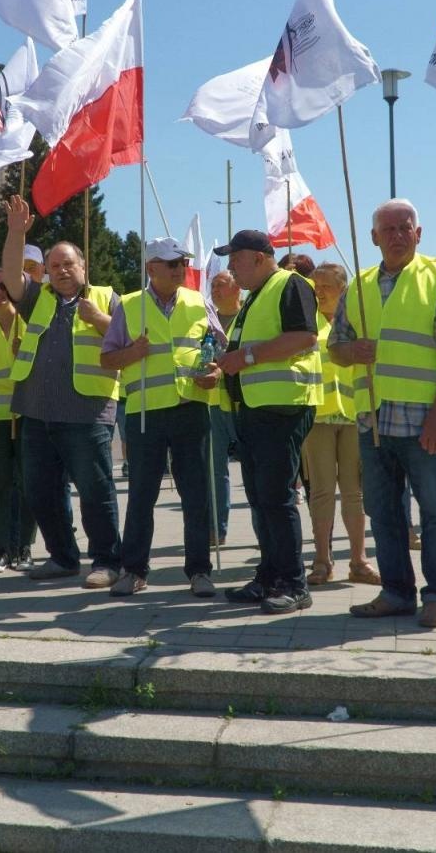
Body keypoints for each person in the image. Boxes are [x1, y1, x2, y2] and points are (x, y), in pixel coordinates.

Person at [329, 200, 436, 630]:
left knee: (435, 512)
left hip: (423, 423)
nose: (396, 235)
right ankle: (395, 593)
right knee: (384, 512)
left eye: (404, 227)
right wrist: (351, 351)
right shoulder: (358, 286)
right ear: (373, 237)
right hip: (374, 422)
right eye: (387, 229)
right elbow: (335, 347)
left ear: (418, 232)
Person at [0, 196, 123, 587]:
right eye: (54, 266)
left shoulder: (108, 298)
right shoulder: (37, 298)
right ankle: (62, 557)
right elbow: (9, 274)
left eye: (68, 264)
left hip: (87, 413)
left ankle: (106, 561)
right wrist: (17, 232)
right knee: (41, 491)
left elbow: (130, 342)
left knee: (95, 490)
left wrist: (100, 319)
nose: (62, 271)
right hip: (37, 413)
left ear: (83, 267)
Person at [199, 229, 320, 614]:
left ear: (258, 257)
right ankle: (269, 577)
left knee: (277, 499)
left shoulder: (290, 284)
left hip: (281, 408)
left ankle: (293, 584)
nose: (232, 268)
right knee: (262, 499)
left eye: (235, 259)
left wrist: (246, 358)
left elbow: (305, 337)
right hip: (255, 410)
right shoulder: (257, 296)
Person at [100, 237, 221, 597]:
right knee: (141, 495)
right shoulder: (130, 305)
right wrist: (132, 352)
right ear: (151, 268)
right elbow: (107, 360)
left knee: (196, 495)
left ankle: (200, 571)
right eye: (171, 264)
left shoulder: (200, 301)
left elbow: (220, 348)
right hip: (144, 414)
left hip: (191, 407)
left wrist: (215, 373)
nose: (179, 269)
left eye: (181, 263)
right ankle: (133, 570)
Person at [303, 262, 378, 586]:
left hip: (352, 414)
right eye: (315, 286)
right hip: (317, 416)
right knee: (320, 492)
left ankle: (359, 561)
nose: (319, 292)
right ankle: (322, 561)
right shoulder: (306, 322)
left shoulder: (357, 321)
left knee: (354, 492)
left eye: (326, 286)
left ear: (343, 289)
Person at [0, 266, 36, 570]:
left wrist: (26, 352)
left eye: (3, 286)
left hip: (27, 412)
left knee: (28, 481)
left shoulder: (29, 322)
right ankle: (1, 546)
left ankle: (24, 545)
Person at [207, 268, 243, 543]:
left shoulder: (248, 315)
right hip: (214, 404)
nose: (215, 290)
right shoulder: (207, 320)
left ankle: (264, 529)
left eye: (221, 285)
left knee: (255, 469)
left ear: (236, 288)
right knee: (214, 468)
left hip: (244, 402)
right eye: (213, 286)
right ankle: (216, 529)